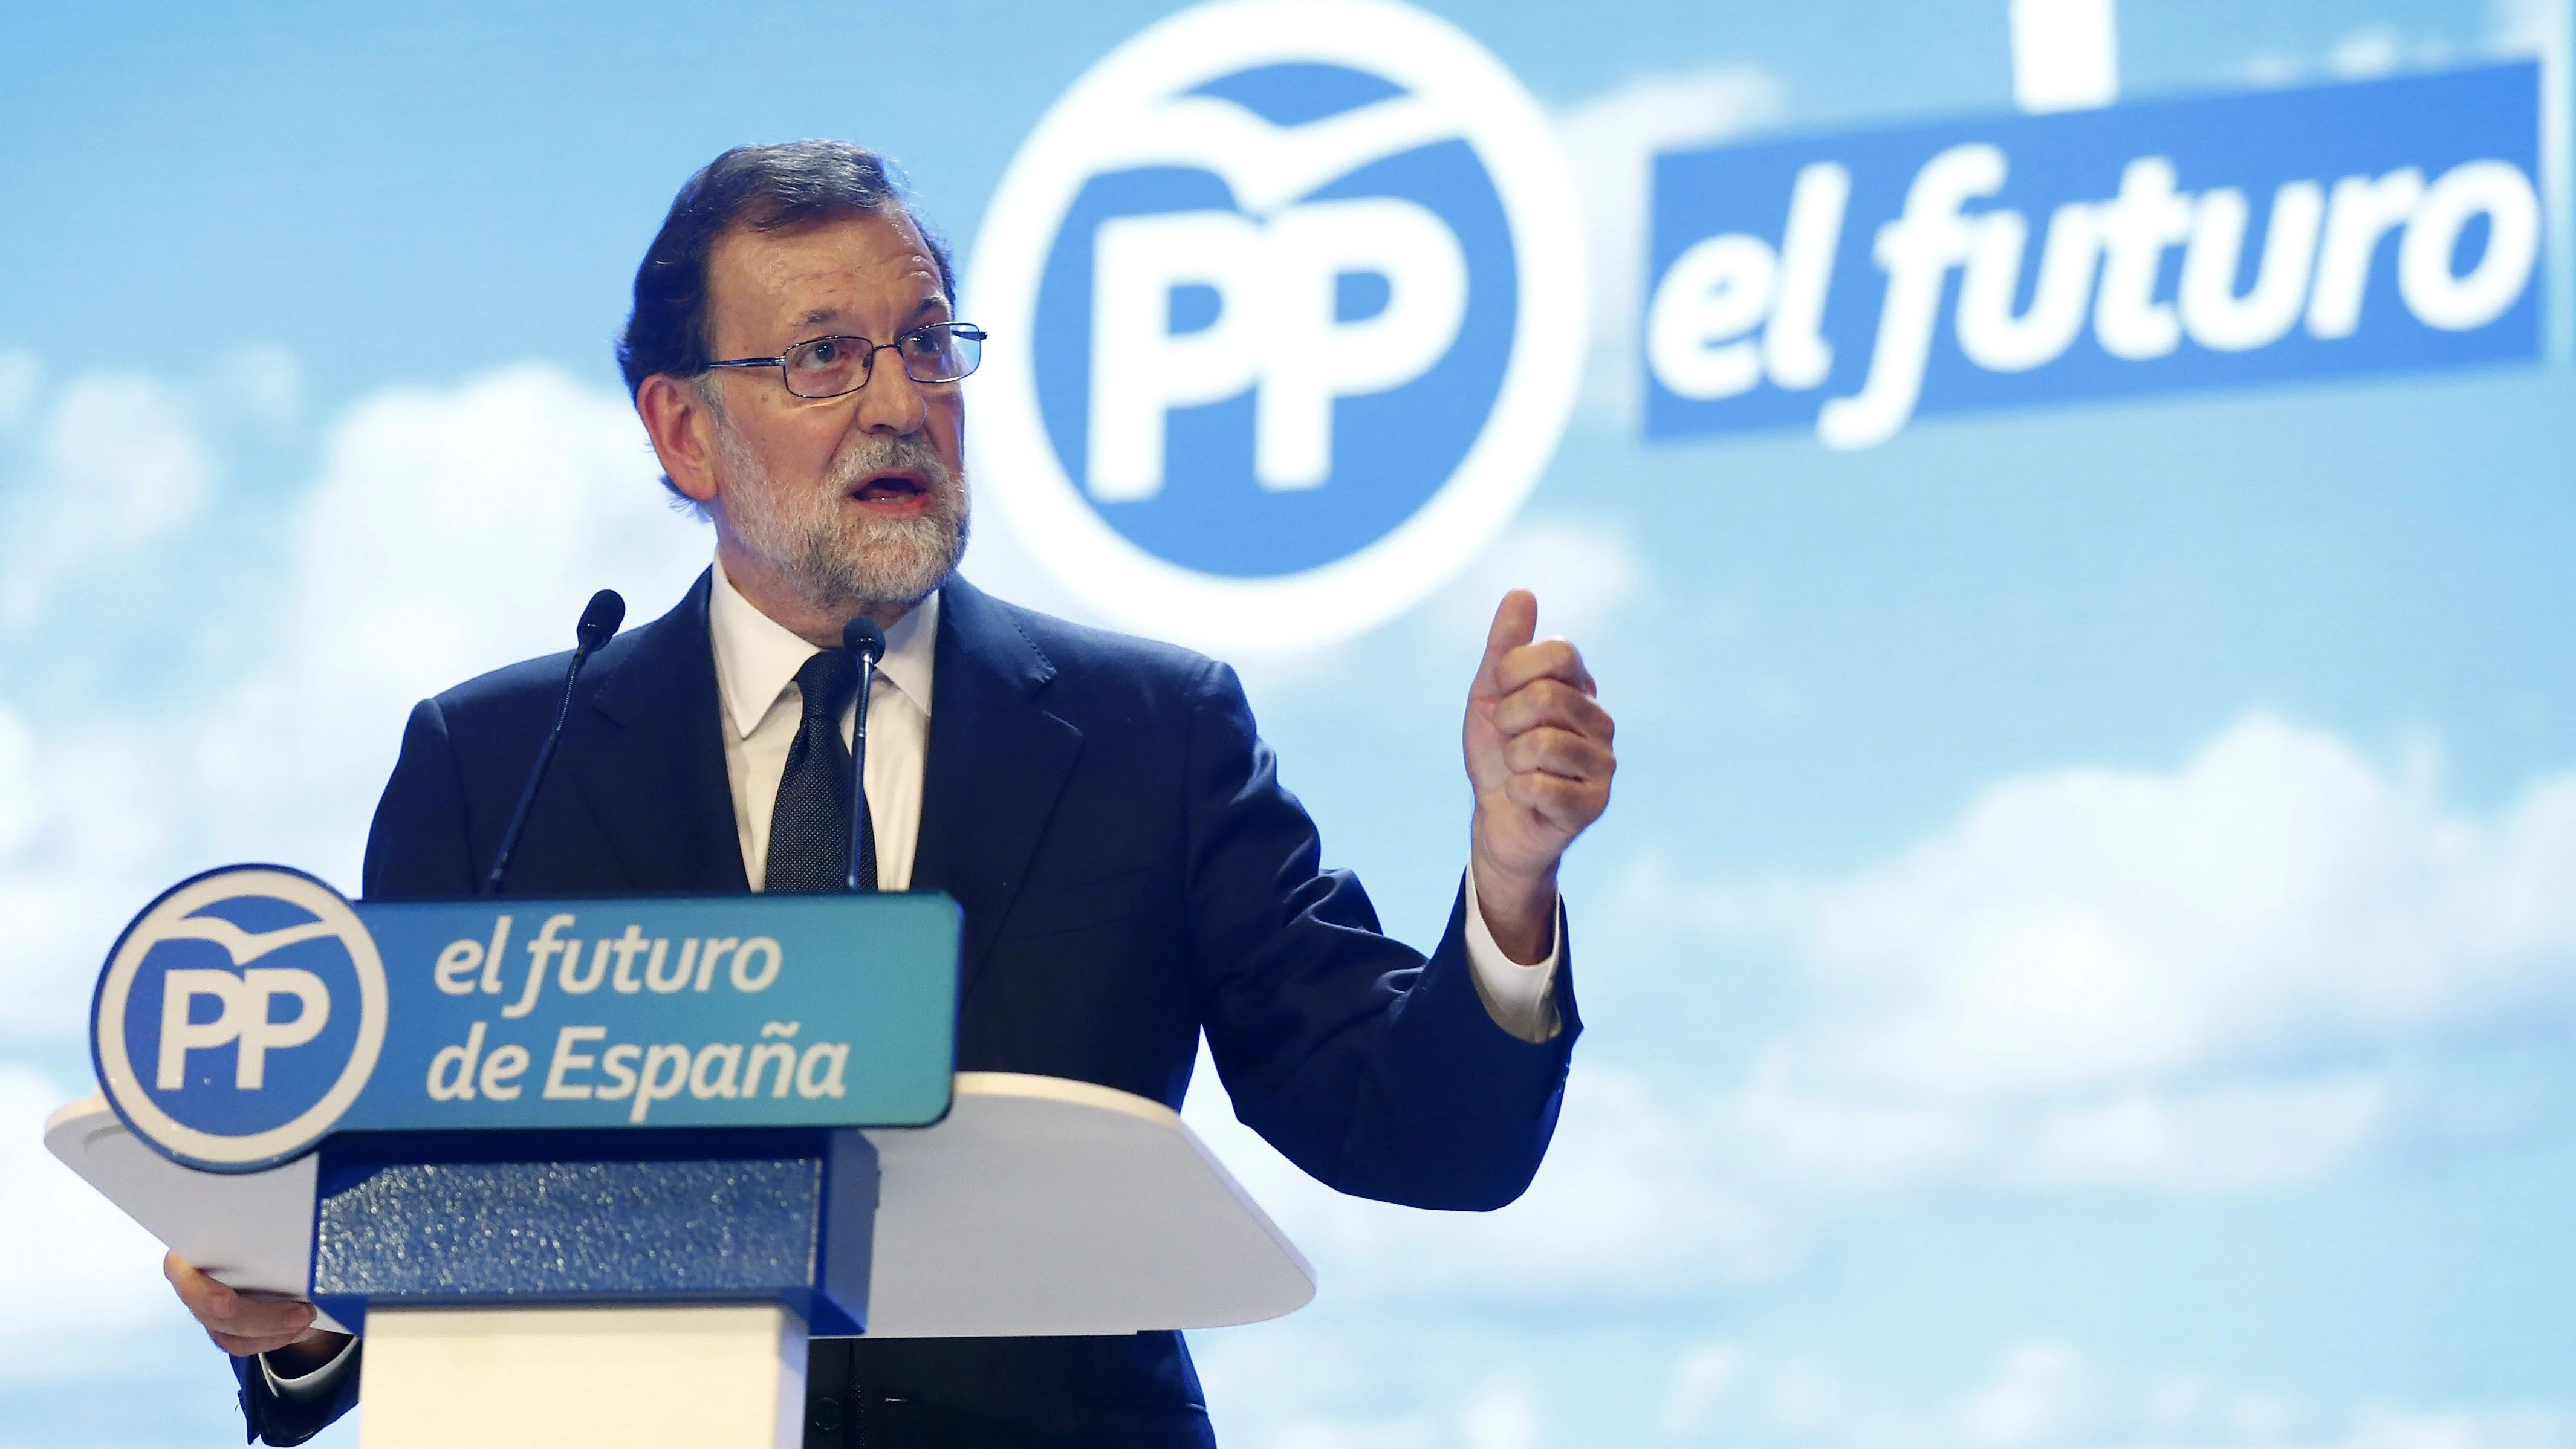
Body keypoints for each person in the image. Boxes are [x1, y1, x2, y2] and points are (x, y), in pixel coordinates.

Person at [165, 140, 1617, 1448]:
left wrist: (1510, 882)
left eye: (928, 344)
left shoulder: (1152, 735)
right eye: (822, 357)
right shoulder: (496, 767)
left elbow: (1419, 1130)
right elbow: (391, 1229)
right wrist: (300, 1310)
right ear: (682, 432)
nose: (900, 402)